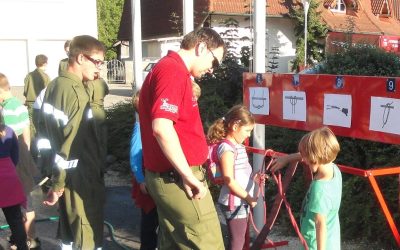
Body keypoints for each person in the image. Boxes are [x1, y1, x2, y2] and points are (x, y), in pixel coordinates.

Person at [138, 27, 226, 249]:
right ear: (202, 47)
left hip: (170, 177)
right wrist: (188, 176)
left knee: (176, 244)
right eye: (214, 62)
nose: (212, 70)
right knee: (207, 242)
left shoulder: (169, 69)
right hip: (178, 179)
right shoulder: (173, 71)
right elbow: (162, 127)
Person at [40, 35, 106, 250]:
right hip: (80, 177)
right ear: (80, 58)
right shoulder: (78, 96)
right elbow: (71, 149)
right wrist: (58, 185)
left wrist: (54, 179)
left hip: (63, 175)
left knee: (69, 235)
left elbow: (45, 135)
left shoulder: (53, 86)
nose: (99, 69)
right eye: (97, 62)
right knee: (86, 235)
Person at [270, 127, 342, 250]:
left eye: (306, 157)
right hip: (331, 241)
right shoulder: (334, 169)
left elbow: (320, 224)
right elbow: (310, 154)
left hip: (315, 245)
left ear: (315, 157)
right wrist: (288, 158)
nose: (303, 160)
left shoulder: (319, 188)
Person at [207, 105, 265, 250]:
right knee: (237, 241)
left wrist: (254, 178)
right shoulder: (227, 148)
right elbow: (229, 180)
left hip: (240, 200)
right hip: (235, 202)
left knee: (240, 238)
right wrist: (249, 198)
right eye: (247, 131)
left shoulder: (237, 145)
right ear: (235, 126)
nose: (249, 135)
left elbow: (240, 172)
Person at [0, 72, 40, 249]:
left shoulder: (7, 109)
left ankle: (23, 240)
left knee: (20, 209)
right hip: (16, 161)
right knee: (21, 208)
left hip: (11, 164)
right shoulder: (19, 107)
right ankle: (29, 240)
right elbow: (26, 134)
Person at [130, 90, 158, 250]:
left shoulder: (149, 125)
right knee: (149, 221)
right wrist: (141, 180)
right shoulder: (140, 128)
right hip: (146, 181)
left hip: (150, 179)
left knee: (156, 220)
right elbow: (134, 157)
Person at [0, 107, 29, 250]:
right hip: (9, 178)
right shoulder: (9, 131)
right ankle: (22, 246)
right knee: (15, 219)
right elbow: (15, 157)